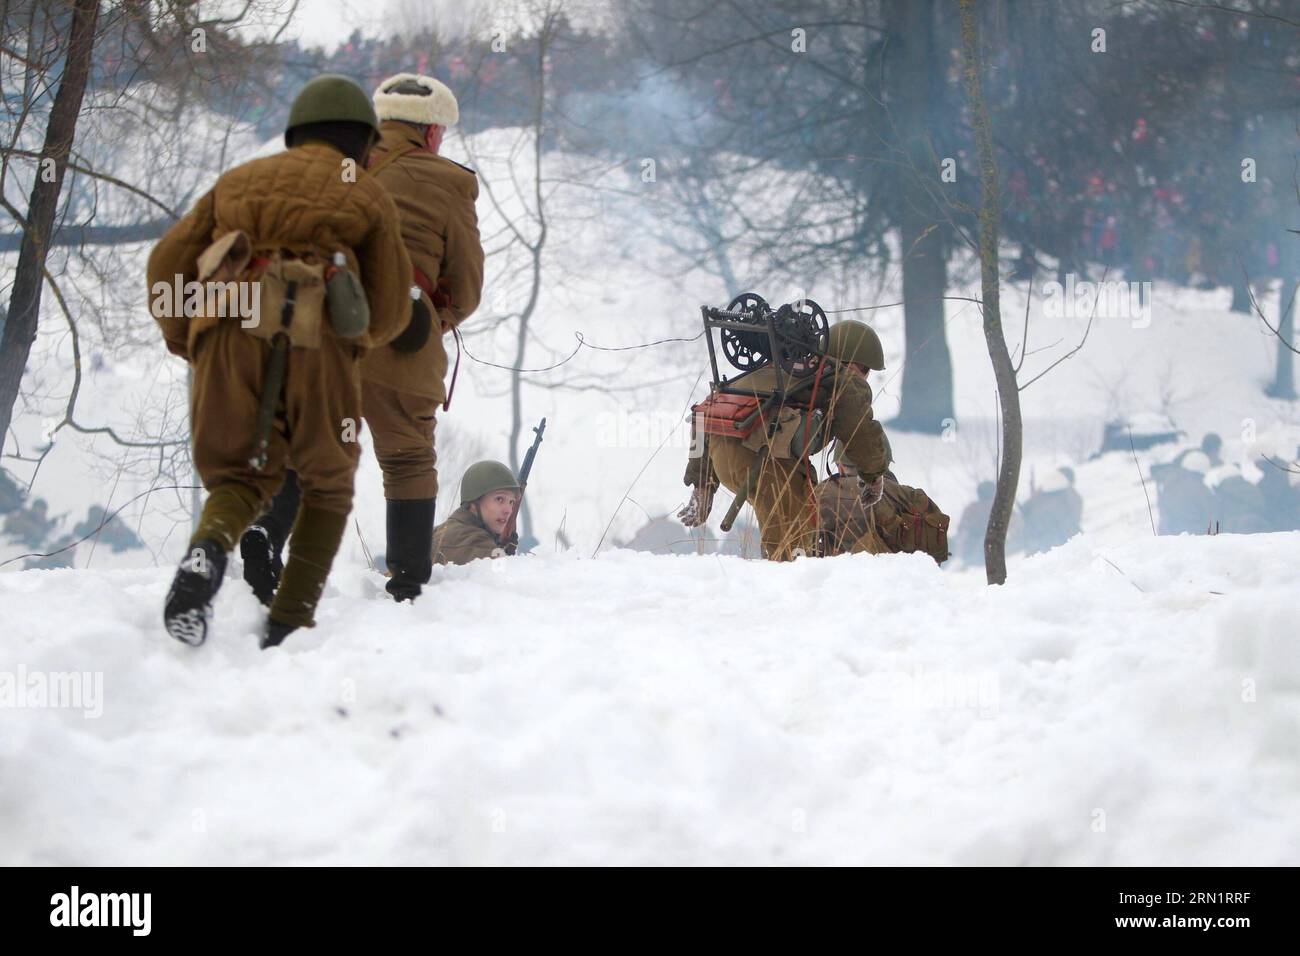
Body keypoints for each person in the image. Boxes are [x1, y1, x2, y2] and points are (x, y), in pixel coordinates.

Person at [148, 74, 413, 649]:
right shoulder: (366, 193)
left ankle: (207, 551)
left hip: (230, 319)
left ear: (297, 133)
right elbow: (391, 309)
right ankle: (288, 622)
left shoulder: (237, 180)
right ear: (363, 143)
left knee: (240, 474)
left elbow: (167, 263)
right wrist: (354, 347)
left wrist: (190, 340)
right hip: (316, 330)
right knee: (328, 482)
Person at [240, 72, 484, 605]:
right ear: (431, 132)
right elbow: (465, 289)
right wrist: (426, 324)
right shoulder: (449, 181)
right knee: (407, 458)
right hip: (401, 341)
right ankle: (408, 580)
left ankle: (265, 531)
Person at [679, 320, 892, 561]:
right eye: (867, 372)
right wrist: (874, 475)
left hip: (722, 459)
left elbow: (705, 416)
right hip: (767, 466)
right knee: (793, 550)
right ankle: (785, 588)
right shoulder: (844, 380)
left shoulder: (775, 368)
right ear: (858, 366)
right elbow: (861, 431)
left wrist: (702, 485)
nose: (865, 379)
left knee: (782, 533)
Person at [430, 461, 521, 566]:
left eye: (511, 502)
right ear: (474, 503)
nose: (508, 510)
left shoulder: (437, 532)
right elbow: (502, 577)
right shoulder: (475, 542)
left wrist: (500, 549)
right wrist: (502, 557)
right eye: (499, 499)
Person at [1020, 466, 1083, 554]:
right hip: (1065, 540)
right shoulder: (1069, 493)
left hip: (1043, 544)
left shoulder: (1040, 494)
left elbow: (1025, 512)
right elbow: (1076, 516)